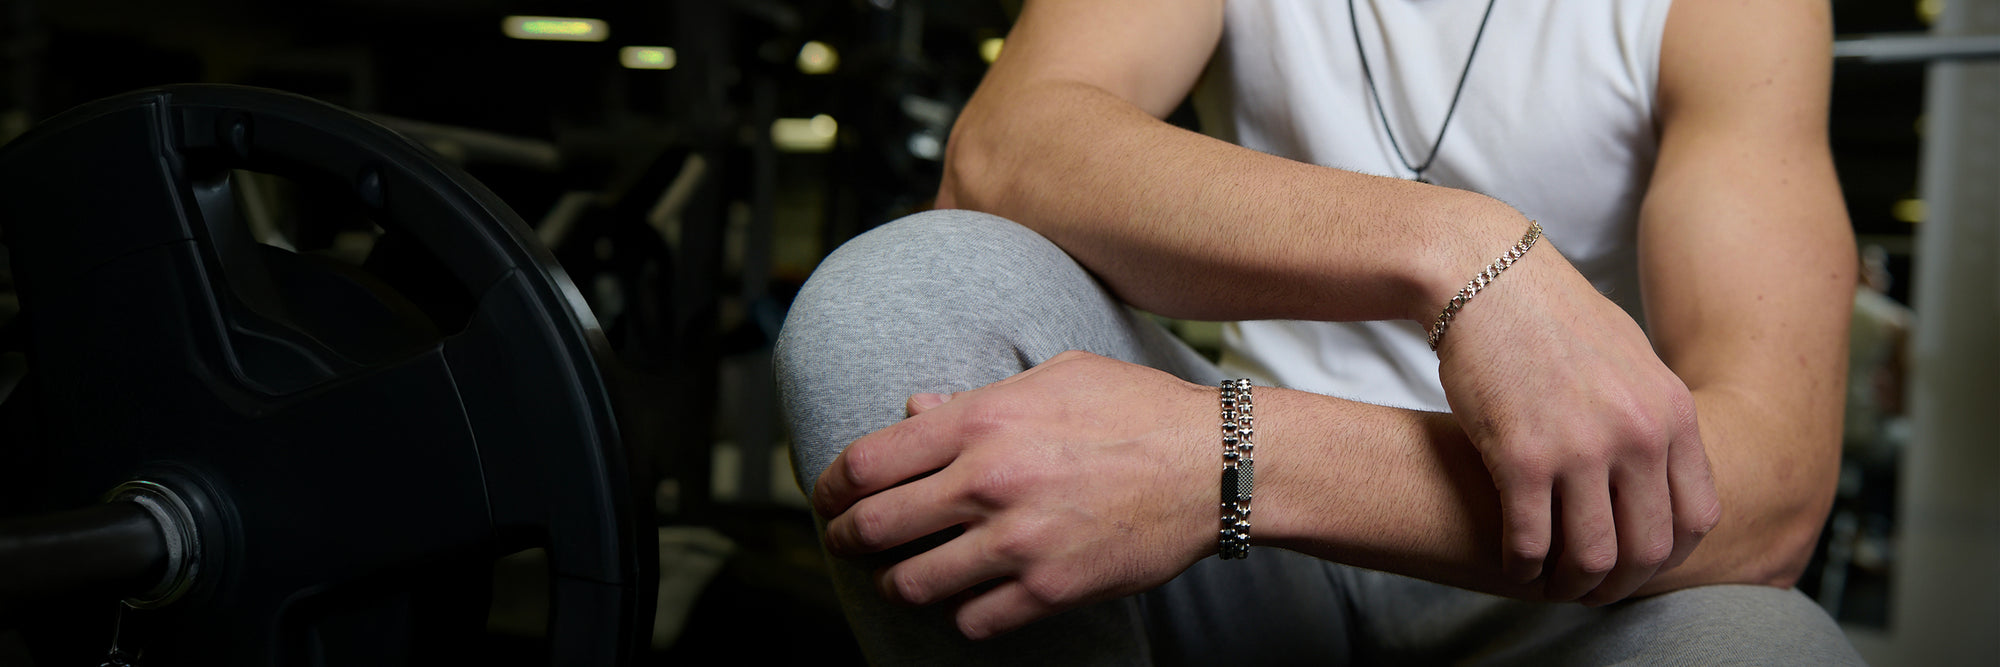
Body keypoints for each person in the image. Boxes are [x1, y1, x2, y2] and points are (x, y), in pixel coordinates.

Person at [778, 0, 1864, 663]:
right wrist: (1463, 254)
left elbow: (1772, 496)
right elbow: (1002, 155)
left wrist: (1233, 455)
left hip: (1545, 572)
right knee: (903, 291)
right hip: (1252, 576)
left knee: (1770, 653)